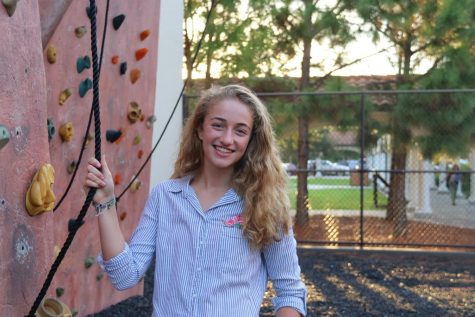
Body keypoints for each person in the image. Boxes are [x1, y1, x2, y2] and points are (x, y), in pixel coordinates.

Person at [85, 84, 307, 316]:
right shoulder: (165, 197)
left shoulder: (265, 204)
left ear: (251, 140)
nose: (227, 138)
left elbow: (290, 291)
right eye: (218, 125)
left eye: (240, 131)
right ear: (200, 129)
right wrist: (106, 202)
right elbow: (124, 276)